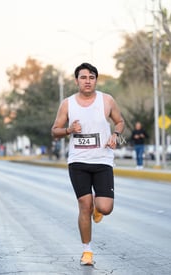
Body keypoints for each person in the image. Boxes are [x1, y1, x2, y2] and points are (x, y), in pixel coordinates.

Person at [51, 63, 125, 266]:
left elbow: (120, 121)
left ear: (95, 80)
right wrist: (68, 130)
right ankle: (87, 251)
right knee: (84, 205)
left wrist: (115, 135)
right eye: (83, 77)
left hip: (102, 160)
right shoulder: (68, 104)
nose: (87, 81)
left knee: (105, 207)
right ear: (76, 81)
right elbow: (54, 130)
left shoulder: (106, 100)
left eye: (91, 77)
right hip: (78, 161)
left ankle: (97, 208)